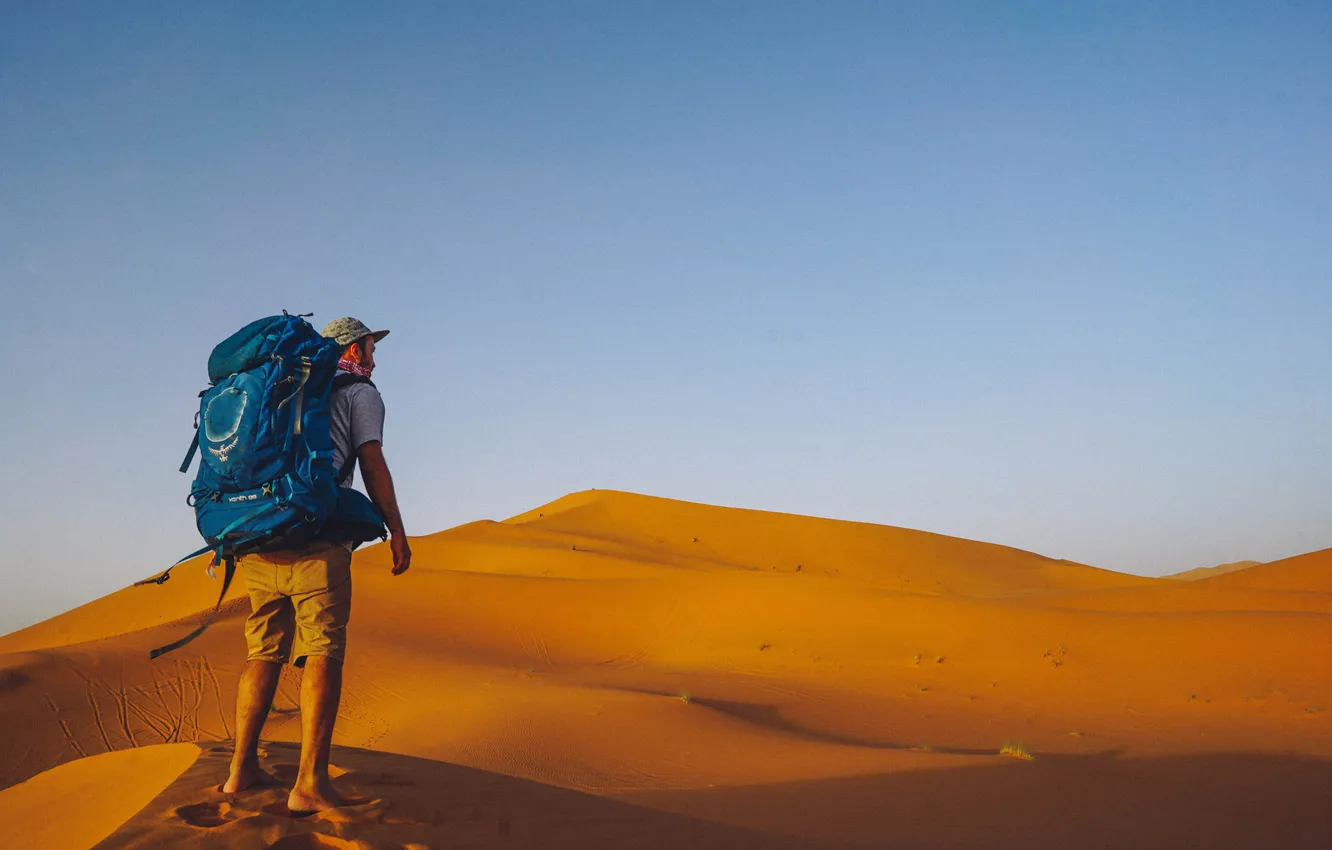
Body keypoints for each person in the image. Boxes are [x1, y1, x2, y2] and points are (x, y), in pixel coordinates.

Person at [222, 316, 411, 815]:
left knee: (262, 651)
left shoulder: (286, 386)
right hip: (316, 535)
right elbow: (372, 463)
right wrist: (397, 530)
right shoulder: (360, 392)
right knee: (323, 648)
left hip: (259, 533)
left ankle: (240, 770)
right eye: (372, 345)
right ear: (357, 347)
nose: (376, 355)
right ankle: (309, 783)